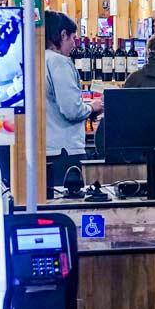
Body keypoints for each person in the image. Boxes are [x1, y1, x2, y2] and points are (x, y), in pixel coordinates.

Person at [44, 11, 103, 187]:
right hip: (64, 151)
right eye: (73, 38)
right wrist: (93, 107)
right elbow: (72, 110)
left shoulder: (36, 59)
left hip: (45, 149)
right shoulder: (59, 62)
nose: (74, 44)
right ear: (63, 35)